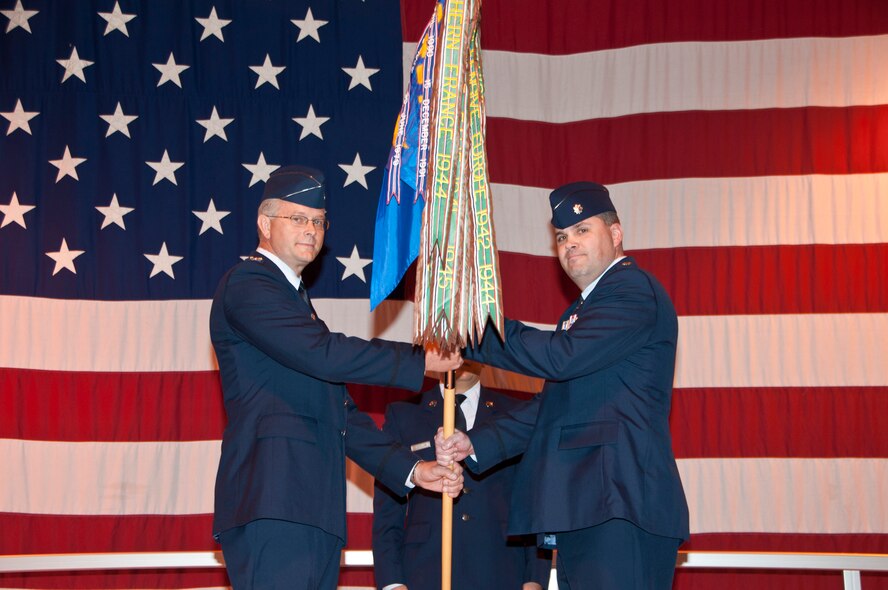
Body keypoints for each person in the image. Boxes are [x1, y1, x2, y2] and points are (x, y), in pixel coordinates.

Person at [210, 165, 463, 590]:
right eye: (298, 218)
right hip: (273, 500)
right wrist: (419, 360)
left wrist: (411, 470)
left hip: (312, 508)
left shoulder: (294, 304)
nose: (311, 230)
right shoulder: (249, 284)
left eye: (318, 221)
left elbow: (339, 413)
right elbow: (324, 354)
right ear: (264, 224)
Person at [436, 182, 689, 589]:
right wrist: (477, 443)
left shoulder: (632, 290)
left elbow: (560, 357)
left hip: (620, 501)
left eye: (582, 230)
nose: (569, 243)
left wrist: (474, 330)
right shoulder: (581, 312)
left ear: (616, 233)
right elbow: (554, 405)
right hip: (588, 505)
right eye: (561, 237)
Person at [372, 360, 552, 590]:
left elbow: (534, 502)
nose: (463, 354)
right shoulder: (404, 414)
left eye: (469, 346)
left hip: (501, 569)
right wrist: (392, 582)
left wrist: (535, 578)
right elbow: (387, 510)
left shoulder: (517, 415)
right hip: (425, 572)